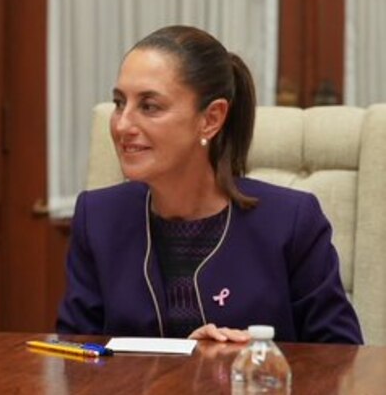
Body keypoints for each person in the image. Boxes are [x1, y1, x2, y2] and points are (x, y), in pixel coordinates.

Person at [56, 25, 362, 344]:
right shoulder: (98, 216)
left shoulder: (292, 221)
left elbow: (342, 361)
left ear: (211, 118)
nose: (122, 124)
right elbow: (76, 356)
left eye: (149, 106)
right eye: (120, 103)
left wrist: (252, 362)